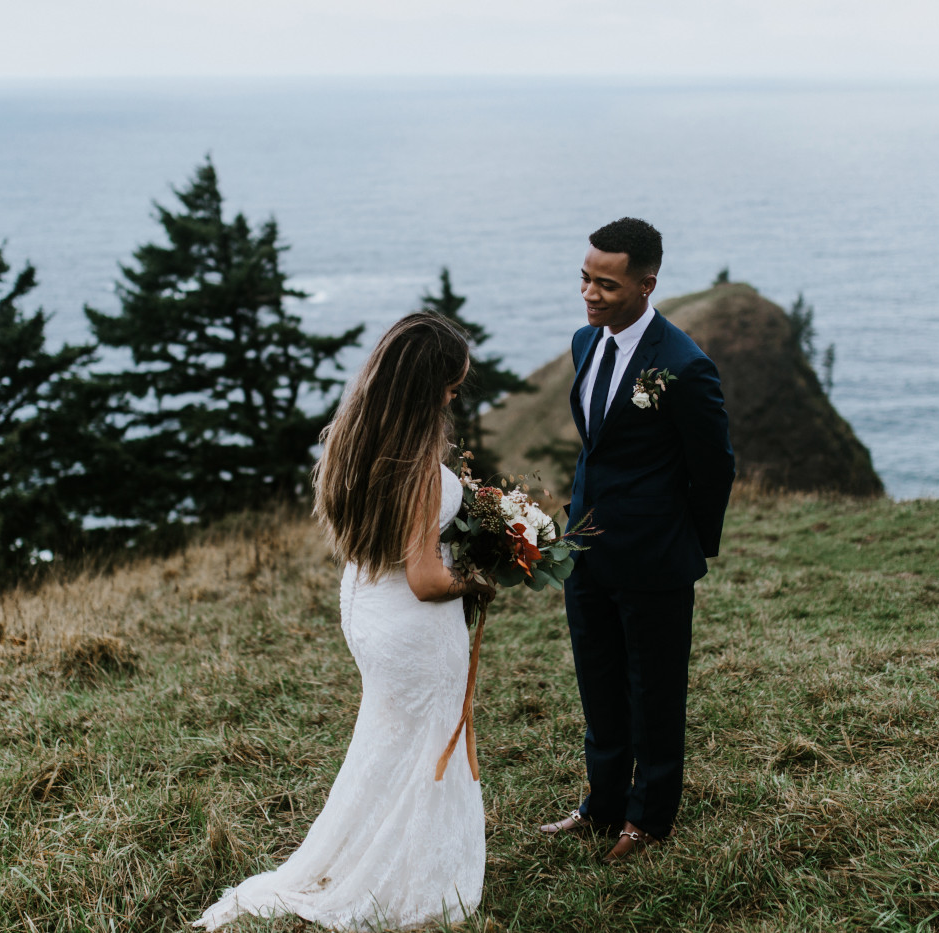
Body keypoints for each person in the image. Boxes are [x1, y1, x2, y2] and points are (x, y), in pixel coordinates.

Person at [195, 312, 495, 931]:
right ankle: (412, 884)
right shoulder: (417, 467)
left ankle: (366, 851)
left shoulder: (355, 437)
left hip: (365, 606)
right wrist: (484, 578)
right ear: (425, 385)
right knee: (426, 743)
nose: (452, 396)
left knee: (389, 740)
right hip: (412, 624)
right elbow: (426, 578)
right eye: (449, 385)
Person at [539, 218, 735, 864]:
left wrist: (687, 545)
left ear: (647, 284)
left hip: (654, 560)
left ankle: (649, 820)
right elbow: (598, 445)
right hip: (584, 555)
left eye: (607, 284)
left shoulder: (683, 365)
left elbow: (715, 466)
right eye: (585, 278)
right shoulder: (583, 343)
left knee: (653, 693)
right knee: (598, 686)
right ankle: (601, 805)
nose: (590, 294)